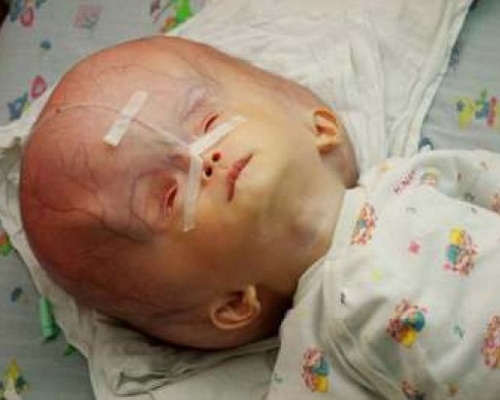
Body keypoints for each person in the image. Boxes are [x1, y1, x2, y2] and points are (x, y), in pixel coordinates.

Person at [20, 36, 500, 398]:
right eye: (168, 196)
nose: (197, 157)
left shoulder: (416, 177)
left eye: (208, 124)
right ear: (233, 305)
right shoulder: (314, 359)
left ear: (320, 127)